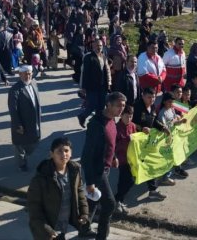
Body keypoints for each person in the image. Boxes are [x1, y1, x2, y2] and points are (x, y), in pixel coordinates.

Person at [27, 137, 95, 239]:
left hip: (65, 225)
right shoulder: (42, 177)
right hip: (49, 230)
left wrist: (84, 213)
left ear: (71, 153)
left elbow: (80, 192)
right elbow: (33, 207)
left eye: (66, 151)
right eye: (59, 151)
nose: (64, 154)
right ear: (51, 154)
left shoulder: (74, 170)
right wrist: (46, 229)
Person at [81, 91, 126, 240]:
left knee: (93, 202)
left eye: (123, 106)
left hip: (106, 168)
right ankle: (101, 236)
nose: (121, 109)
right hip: (97, 171)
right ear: (108, 105)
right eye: (118, 106)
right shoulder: (96, 125)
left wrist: (113, 157)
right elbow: (87, 156)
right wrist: (90, 182)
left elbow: (109, 143)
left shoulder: (112, 120)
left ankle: (84, 229)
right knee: (109, 204)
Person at [132, 87, 167, 200]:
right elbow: (130, 123)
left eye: (153, 97)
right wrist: (141, 128)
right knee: (139, 164)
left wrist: (162, 127)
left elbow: (154, 119)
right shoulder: (136, 107)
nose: (152, 100)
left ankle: (152, 190)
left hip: (148, 141)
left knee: (149, 163)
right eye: (149, 97)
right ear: (143, 96)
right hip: (136, 141)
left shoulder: (152, 106)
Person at [8, 65, 41, 172]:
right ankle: (21, 164)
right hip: (21, 122)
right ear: (20, 75)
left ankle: (23, 155)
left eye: (29, 73)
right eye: (25, 74)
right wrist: (18, 125)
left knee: (35, 141)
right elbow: (13, 110)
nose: (28, 76)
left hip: (34, 120)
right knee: (19, 145)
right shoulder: (14, 90)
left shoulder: (34, 83)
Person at [77, 39, 111, 128]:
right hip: (92, 86)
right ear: (93, 46)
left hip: (103, 86)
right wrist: (83, 88)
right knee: (92, 104)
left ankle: (98, 124)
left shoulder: (104, 57)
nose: (99, 47)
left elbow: (107, 71)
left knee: (101, 106)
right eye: (97, 46)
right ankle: (82, 116)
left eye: (100, 46)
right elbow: (85, 73)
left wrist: (109, 83)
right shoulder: (89, 57)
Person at [114, 105, 137, 215]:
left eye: (131, 116)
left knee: (129, 181)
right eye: (127, 116)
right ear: (121, 115)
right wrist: (127, 140)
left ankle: (118, 200)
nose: (129, 119)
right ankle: (117, 200)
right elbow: (115, 145)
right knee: (126, 181)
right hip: (122, 159)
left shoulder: (132, 125)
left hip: (131, 158)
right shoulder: (117, 127)